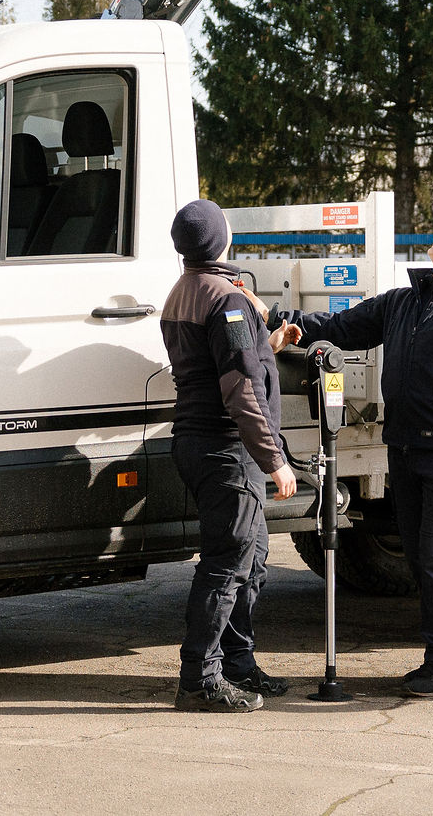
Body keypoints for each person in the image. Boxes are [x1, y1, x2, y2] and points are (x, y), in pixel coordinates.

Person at [267, 207, 433, 697]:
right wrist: (283, 321)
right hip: (404, 451)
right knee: (424, 559)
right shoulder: (403, 302)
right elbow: (340, 326)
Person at [161, 198, 300, 712]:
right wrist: (274, 459)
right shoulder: (229, 299)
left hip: (197, 441)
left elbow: (218, 360)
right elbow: (240, 388)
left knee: (253, 558)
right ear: (223, 240)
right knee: (227, 562)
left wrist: (269, 342)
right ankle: (199, 677)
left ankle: (239, 663)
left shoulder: (185, 291)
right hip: (226, 447)